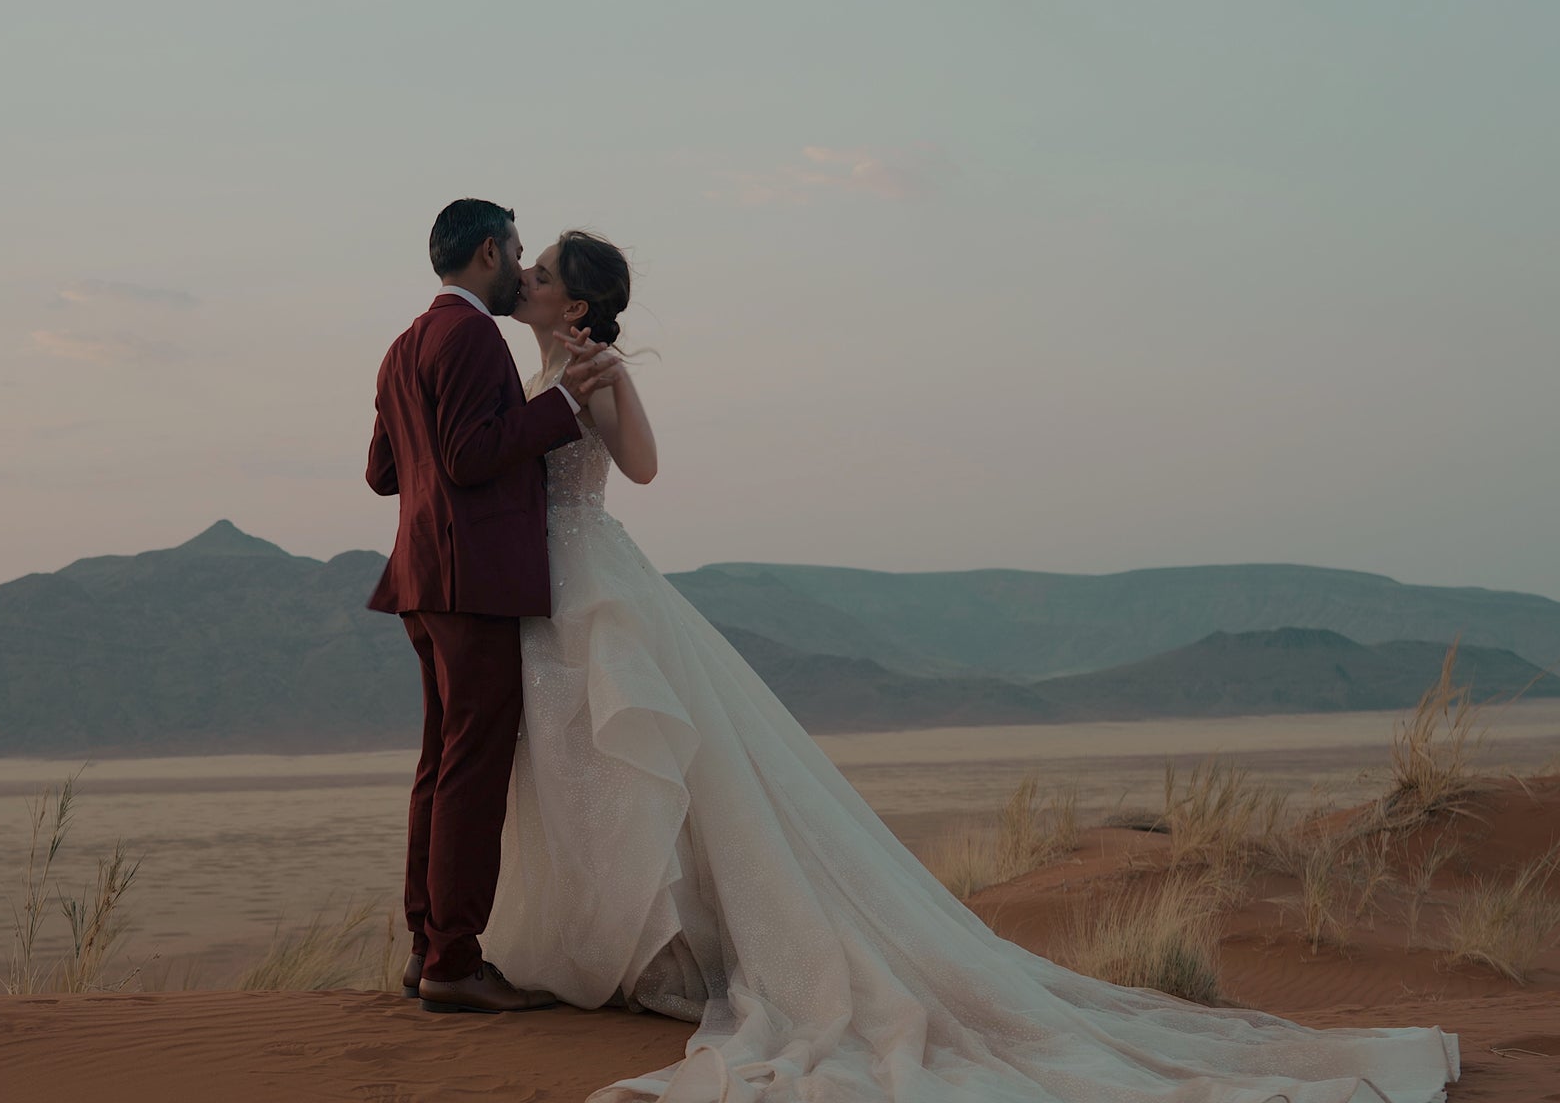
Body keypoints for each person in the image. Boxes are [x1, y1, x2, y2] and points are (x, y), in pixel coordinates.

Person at [477, 229, 1460, 1102]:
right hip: (546, 583)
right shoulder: (516, 364)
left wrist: (584, 388)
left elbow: (640, 469)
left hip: (593, 572)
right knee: (576, 765)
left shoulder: (596, 366)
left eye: (545, 269)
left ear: (579, 303)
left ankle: (639, 958)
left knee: (628, 757)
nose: (526, 275)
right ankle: (601, 951)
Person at [365, 199, 625, 1014]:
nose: (521, 268)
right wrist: (561, 409)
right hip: (472, 583)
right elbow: (469, 455)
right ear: (487, 250)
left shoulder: (406, 343)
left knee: (441, 766)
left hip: (421, 578)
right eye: (516, 252)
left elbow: (386, 470)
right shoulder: (475, 335)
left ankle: (425, 950)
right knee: (471, 773)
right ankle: (452, 961)